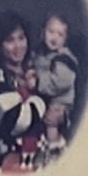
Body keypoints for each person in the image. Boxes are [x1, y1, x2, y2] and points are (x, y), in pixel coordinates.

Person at [0, 12, 48, 174]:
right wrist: (41, 104)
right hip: (13, 157)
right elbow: (16, 121)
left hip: (42, 152)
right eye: (10, 40)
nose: (18, 46)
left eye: (21, 38)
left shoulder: (33, 66)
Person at [32, 13, 79, 156]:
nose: (54, 37)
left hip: (61, 100)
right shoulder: (41, 53)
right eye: (51, 32)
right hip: (46, 97)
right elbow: (36, 65)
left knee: (51, 119)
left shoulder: (64, 58)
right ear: (43, 32)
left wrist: (38, 82)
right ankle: (40, 146)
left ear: (65, 39)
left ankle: (54, 147)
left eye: (60, 34)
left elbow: (60, 83)